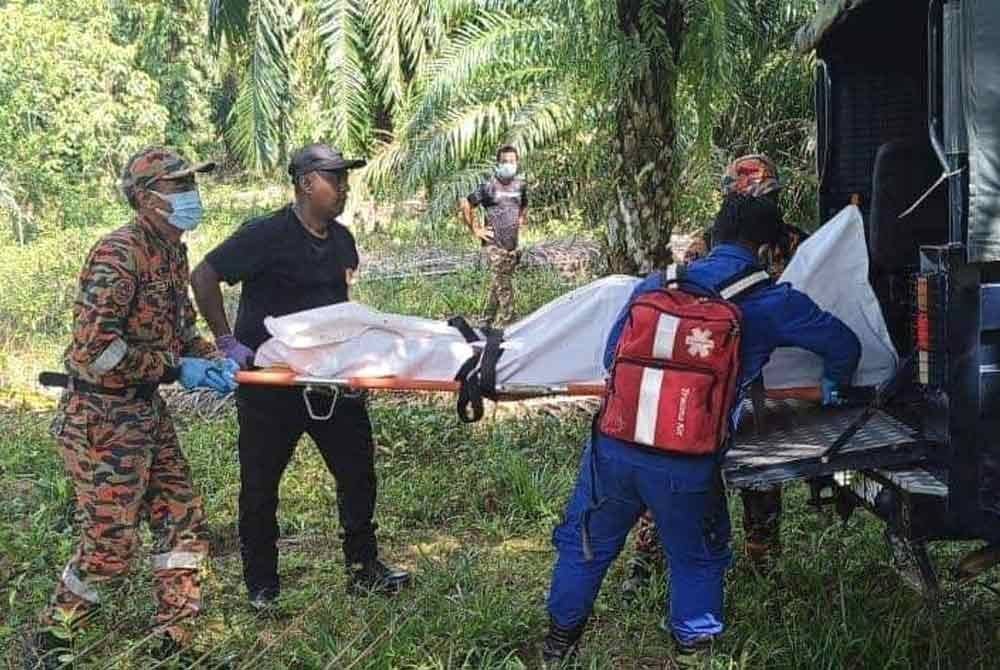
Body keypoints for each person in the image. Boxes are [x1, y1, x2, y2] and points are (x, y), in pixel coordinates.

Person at [540, 190, 861, 665]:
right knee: (697, 558)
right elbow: (844, 344)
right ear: (771, 250)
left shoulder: (656, 283)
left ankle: (557, 647)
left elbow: (613, 357)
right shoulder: (774, 302)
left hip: (613, 446)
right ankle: (692, 651)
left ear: (712, 239)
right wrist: (833, 383)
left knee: (584, 544)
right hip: (687, 462)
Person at [24, 147, 238, 668]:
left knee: (182, 517)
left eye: (193, 185)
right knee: (110, 545)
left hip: (144, 413)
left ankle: (176, 639)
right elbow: (96, 350)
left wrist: (212, 360)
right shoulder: (118, 254)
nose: (192, 197)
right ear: (146, 199)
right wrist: (172, 370)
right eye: (179, 187)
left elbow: (182, 326)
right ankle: (55, 635)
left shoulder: (172, 251)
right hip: (101, 418)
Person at [190, 143, 410, 612]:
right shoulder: (265, 235)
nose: (345, 187)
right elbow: (204, 275)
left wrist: (355, 361)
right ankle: (262, 586)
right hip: (271, 384)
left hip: (330, 384)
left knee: (357, 474)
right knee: (260, 485)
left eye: (346, 178)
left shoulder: (343, 240)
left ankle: (362, 568)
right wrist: (226, 341)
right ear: (307, 182)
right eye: (336, 178)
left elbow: (344, 310)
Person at [459, 144, 528, 327]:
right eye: (504, 161)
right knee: (504, 286)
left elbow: (523, 206)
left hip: (512, 246)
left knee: (497, 284)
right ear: (498, 164)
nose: (508, 164)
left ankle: (485, 322)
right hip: (494, 245)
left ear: (517, 162)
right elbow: (466, 204)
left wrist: (520, 220)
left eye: (512, 161)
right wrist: (476, 229)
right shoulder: (488, 187)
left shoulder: (520, 186)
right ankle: (509, 325)